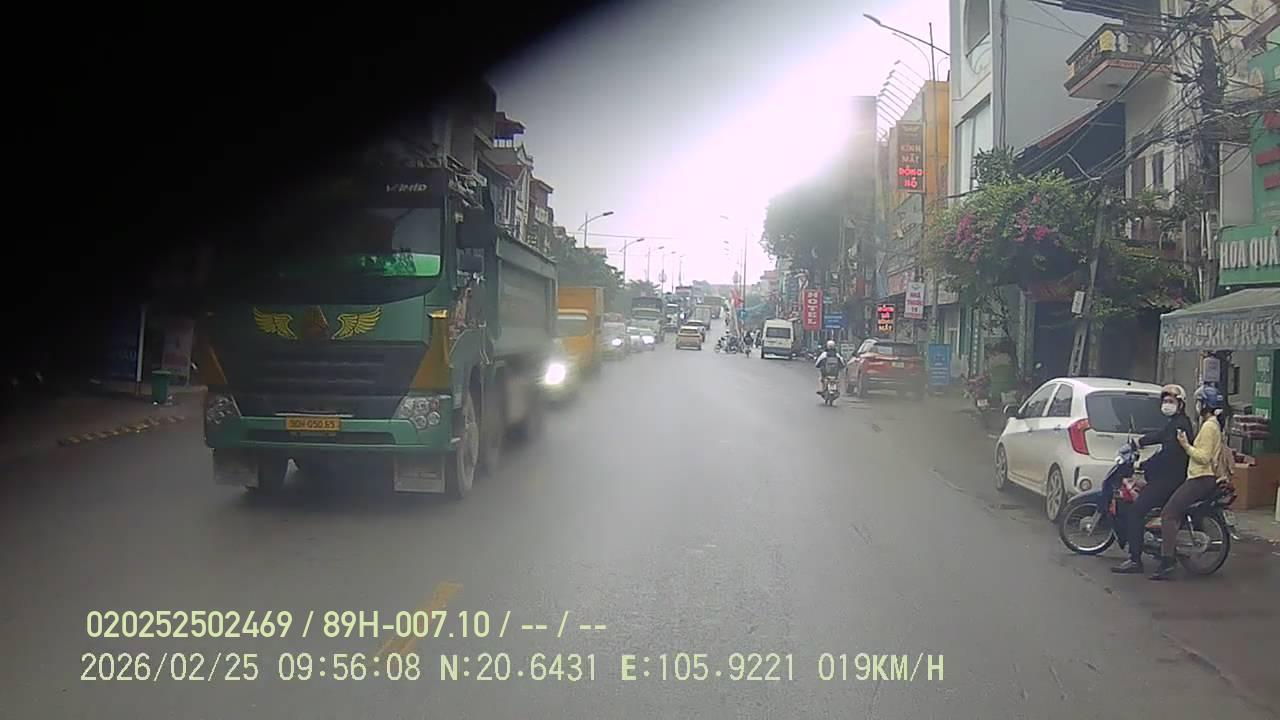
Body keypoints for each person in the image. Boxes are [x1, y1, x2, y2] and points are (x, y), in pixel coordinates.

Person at [1112, 384, 1195, 574]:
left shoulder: (1180, 425)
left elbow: (1168, 454)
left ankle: (1135, 560)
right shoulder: (1175, 422)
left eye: (1171, 401)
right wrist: (1139, 442)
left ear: (1181, 404)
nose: (1167, 404)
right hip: (1167, 476)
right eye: (1165, 401)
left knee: (1136, 511)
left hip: (1169, 479)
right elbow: (1160, 436)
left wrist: (1143, 465)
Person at [1151, 385, 1227, 580]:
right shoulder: (1212, 425)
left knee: (1168, 514)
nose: (1197, 406)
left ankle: (1167, 562)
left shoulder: (1209, 427)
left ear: (1204, 405)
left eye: (1199, 402)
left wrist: (1185, 445)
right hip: (1201, 477)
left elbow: (1203, 457)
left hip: (1200, 478)